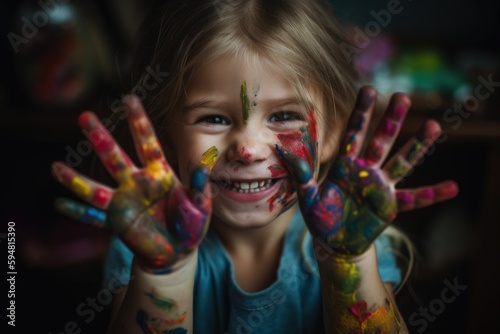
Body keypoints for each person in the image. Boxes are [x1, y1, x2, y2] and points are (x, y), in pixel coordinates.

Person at [51, 0, 458, 333]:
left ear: (333, 132)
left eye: (283, 117)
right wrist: (165, 274)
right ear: (165, 139)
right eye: (213, 118)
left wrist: (348, 261)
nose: (248, 149)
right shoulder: (148, 242)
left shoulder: (355, 240)